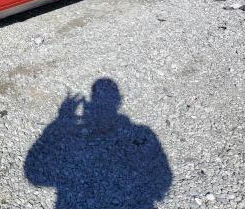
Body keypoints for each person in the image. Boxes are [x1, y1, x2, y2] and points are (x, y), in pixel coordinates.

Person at [24, 78, 172, 209]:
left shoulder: (75, 137)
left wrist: (59, 122)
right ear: (119, 100)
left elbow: (34, 174)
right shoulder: (142, 132)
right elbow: (163, 179)